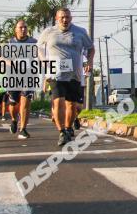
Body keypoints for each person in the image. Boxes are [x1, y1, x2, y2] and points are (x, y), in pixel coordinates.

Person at [37, 8, 94, 146]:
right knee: (58, 102)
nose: (65, 20)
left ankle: (68, 128)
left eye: (67, 17)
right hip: (55, 73)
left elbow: (91, 48)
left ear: (71, 18)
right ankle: (62, 131)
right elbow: (38, 47)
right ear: (56, 18)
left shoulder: (80, 32)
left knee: (72, 105)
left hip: (74, 74)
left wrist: (90, 62)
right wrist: (44, 60)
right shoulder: (49, 32)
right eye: (62, 17)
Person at [7, 19, 36, 139]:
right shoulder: (10, 42)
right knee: (14, 104)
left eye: (25, 27)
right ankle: (14, 119)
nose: (23, 29)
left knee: (25, 102)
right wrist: (9, 62)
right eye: (20, 27)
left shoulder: (34, 42)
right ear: (15, 29)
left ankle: (23, 128)